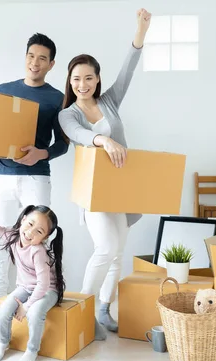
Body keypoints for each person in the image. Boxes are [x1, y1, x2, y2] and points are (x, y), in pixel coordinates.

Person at [58, 9, 152, 340]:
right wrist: (103, 138)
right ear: (69, 83)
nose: (81, 84)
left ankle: (102, 308)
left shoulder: (110, 101)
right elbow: (81, 136)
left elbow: (127, 71)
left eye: (87, 78)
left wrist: (140, 32)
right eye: (75, 79)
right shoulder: (67, 114)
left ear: (97, 79)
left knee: (118, 253)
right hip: (95, 192)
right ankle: (81, 310)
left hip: (120, 190)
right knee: (106, 247)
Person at [0, 33, 69, 320]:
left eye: (42, 58)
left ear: (51, 64)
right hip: (3, 175)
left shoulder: (57, 98)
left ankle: (39, 296)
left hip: (36, 178)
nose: (35, 62)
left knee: (40, 239)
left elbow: (63, 144)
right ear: (26, 57)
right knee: (1, 237)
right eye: (31, 56)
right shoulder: (4, 90)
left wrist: (40, 154)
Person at [0, 205, 65, 361]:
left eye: (39, 232)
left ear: (45, 238)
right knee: (3, 311)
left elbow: (43, 284)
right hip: (25, 287)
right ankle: (3, 342)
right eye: (30, 224)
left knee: (34, 313)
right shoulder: (13, 235)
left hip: (47, 290)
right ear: (23, 219)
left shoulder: (38, 252)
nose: (30, 232)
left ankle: (32, 350)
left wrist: (26, 306)